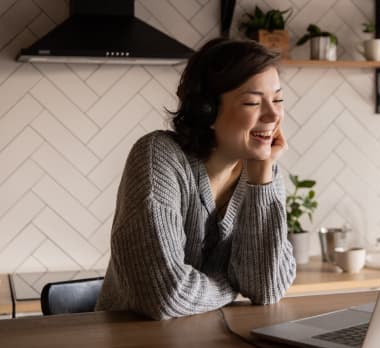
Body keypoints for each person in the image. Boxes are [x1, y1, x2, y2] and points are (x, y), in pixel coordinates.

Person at [95, 38, 296, 320]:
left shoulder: (264, 172)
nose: (274, 115)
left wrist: (262, 179)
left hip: (211, 347)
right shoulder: (159, 157)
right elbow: (165, 295)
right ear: (207, 111)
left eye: (278, 99)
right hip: (133, 347)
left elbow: (266, 289)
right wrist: (230, 284)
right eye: (252, 102)